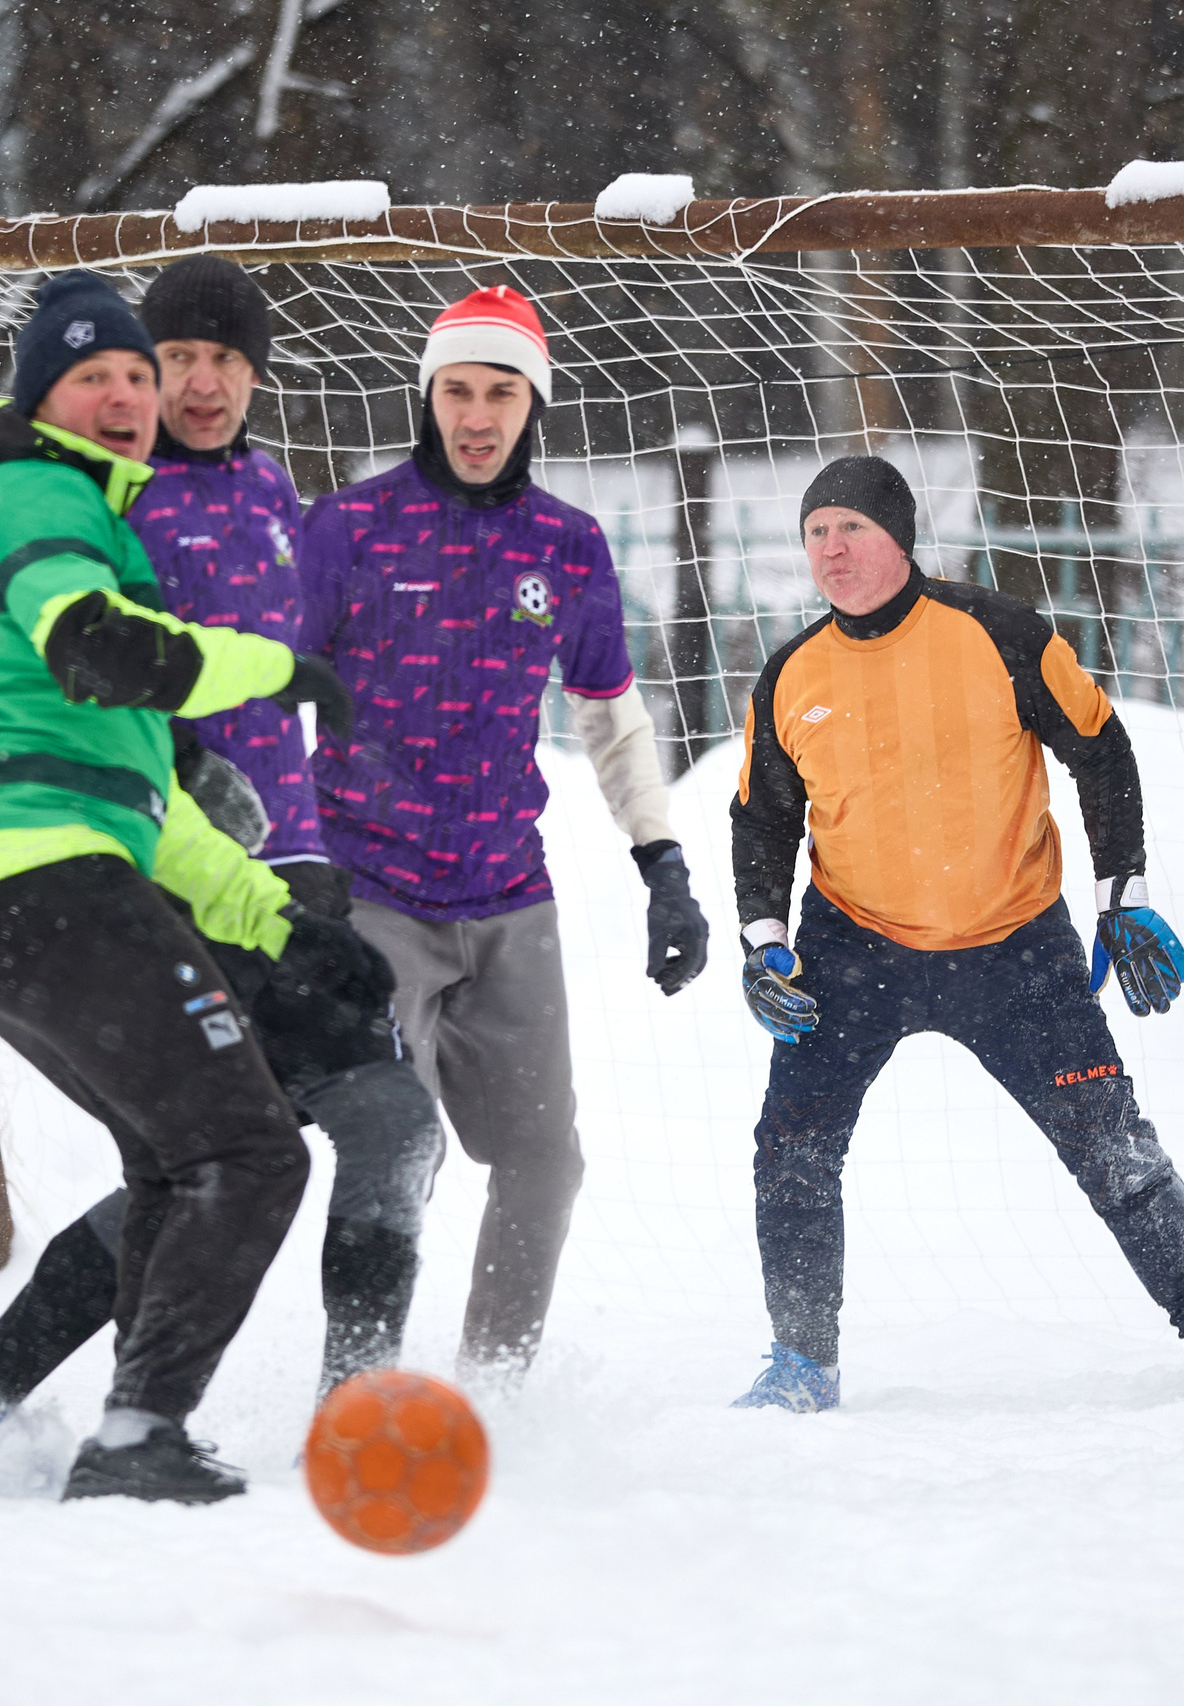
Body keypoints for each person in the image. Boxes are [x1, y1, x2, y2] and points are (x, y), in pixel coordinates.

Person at [0, 258, 448, 1430]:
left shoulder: (272, 492)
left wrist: (301, 869)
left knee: (217, 1154)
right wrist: (199, 766)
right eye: (170, 361)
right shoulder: (97, 493)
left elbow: (307, 678)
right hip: (127, 863)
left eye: (220, 361)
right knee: (264, 1145)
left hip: (251, 866)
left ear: (255, 376)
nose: (192, 384)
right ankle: (328, 1418)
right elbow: (103, 662)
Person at [727, 453, 1184, 1410]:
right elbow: (761, 818)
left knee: (1112, 1146)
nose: (833, 548)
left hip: (1013, 946)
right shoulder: (793, 673)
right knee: (790, 1147)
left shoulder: (998, 634)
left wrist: (1124, 893)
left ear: (900, 538)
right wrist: (762, 939)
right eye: (817, 532)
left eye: (852, 528)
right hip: (852, 948)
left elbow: (1099, 747)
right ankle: (801, 1364)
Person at [292, 285, 711, 1380]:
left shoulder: (566, 548)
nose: (477, 414)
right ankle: (356, 1384)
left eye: (502, 392)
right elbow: (256, 696)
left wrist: (661, 860)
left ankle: (490, 1390)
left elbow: (610, 715)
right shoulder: (344, 529)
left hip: (507, 897)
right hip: (367, 893)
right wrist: (282, 860)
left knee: (542, 1161)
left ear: (535, 407)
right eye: (459, 390)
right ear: (426, 397)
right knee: (398, 1147)